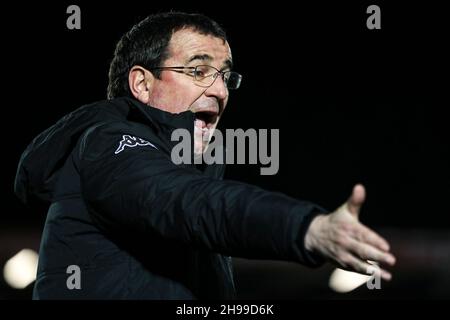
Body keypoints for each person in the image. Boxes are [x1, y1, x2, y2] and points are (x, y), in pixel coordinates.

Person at [14, 11, 395, 299]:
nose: (220, 91)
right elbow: (185, 202)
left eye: (226, 76)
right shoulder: (108, 143)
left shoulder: (200, 166)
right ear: (142, 84)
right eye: (198, 71)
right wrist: (307, 229)